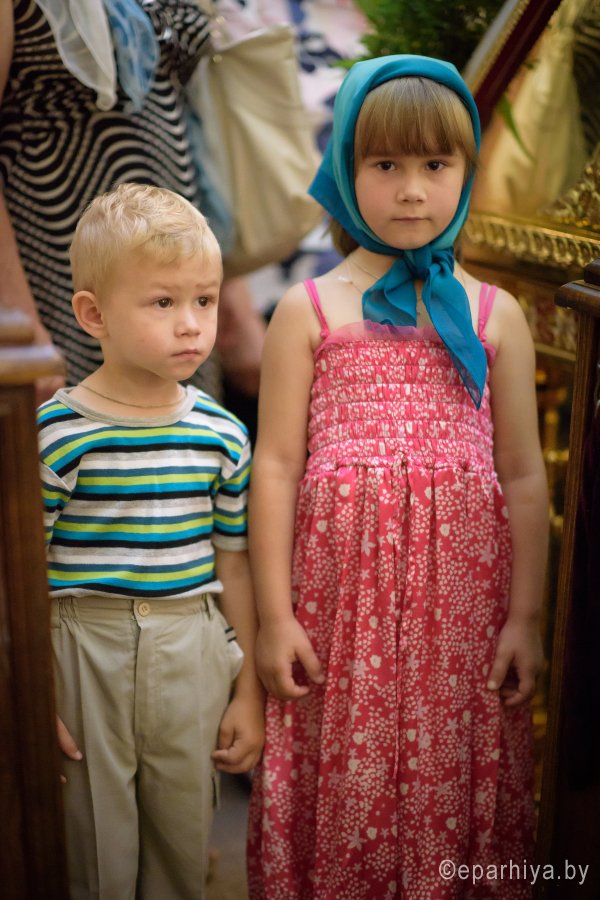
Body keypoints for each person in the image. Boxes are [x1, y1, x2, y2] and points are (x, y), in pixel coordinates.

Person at [247, 55, 548, 898]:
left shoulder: (495, 317)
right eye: (385, 164)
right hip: (339, 618)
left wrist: (525, 617)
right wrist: (274, 618)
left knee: (453, 775)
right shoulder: (308, 311)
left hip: (462, 619)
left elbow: (524, 475)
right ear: (346, 170)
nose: (412, 190)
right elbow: (276, 467)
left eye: (435, 164)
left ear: (466, 171)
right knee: (348, 775)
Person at [37, 183, 264, 900]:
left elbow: (234, 562)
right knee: (92, 850)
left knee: (181, 844)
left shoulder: (222, 433)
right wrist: (33, 692)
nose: (191, 324)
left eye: (204, 300)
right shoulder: (58, 434)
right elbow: (21, 568)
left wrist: (248, 690)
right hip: (82, 648)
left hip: (190, 646)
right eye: (162, 302)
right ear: (94, 314)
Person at [0, 0, 265, 403]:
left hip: (178, 225)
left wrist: (220, 290)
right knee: (81, 424)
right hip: (55, 244)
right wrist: (17, 322)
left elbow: (193, 111)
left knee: (183, 421)